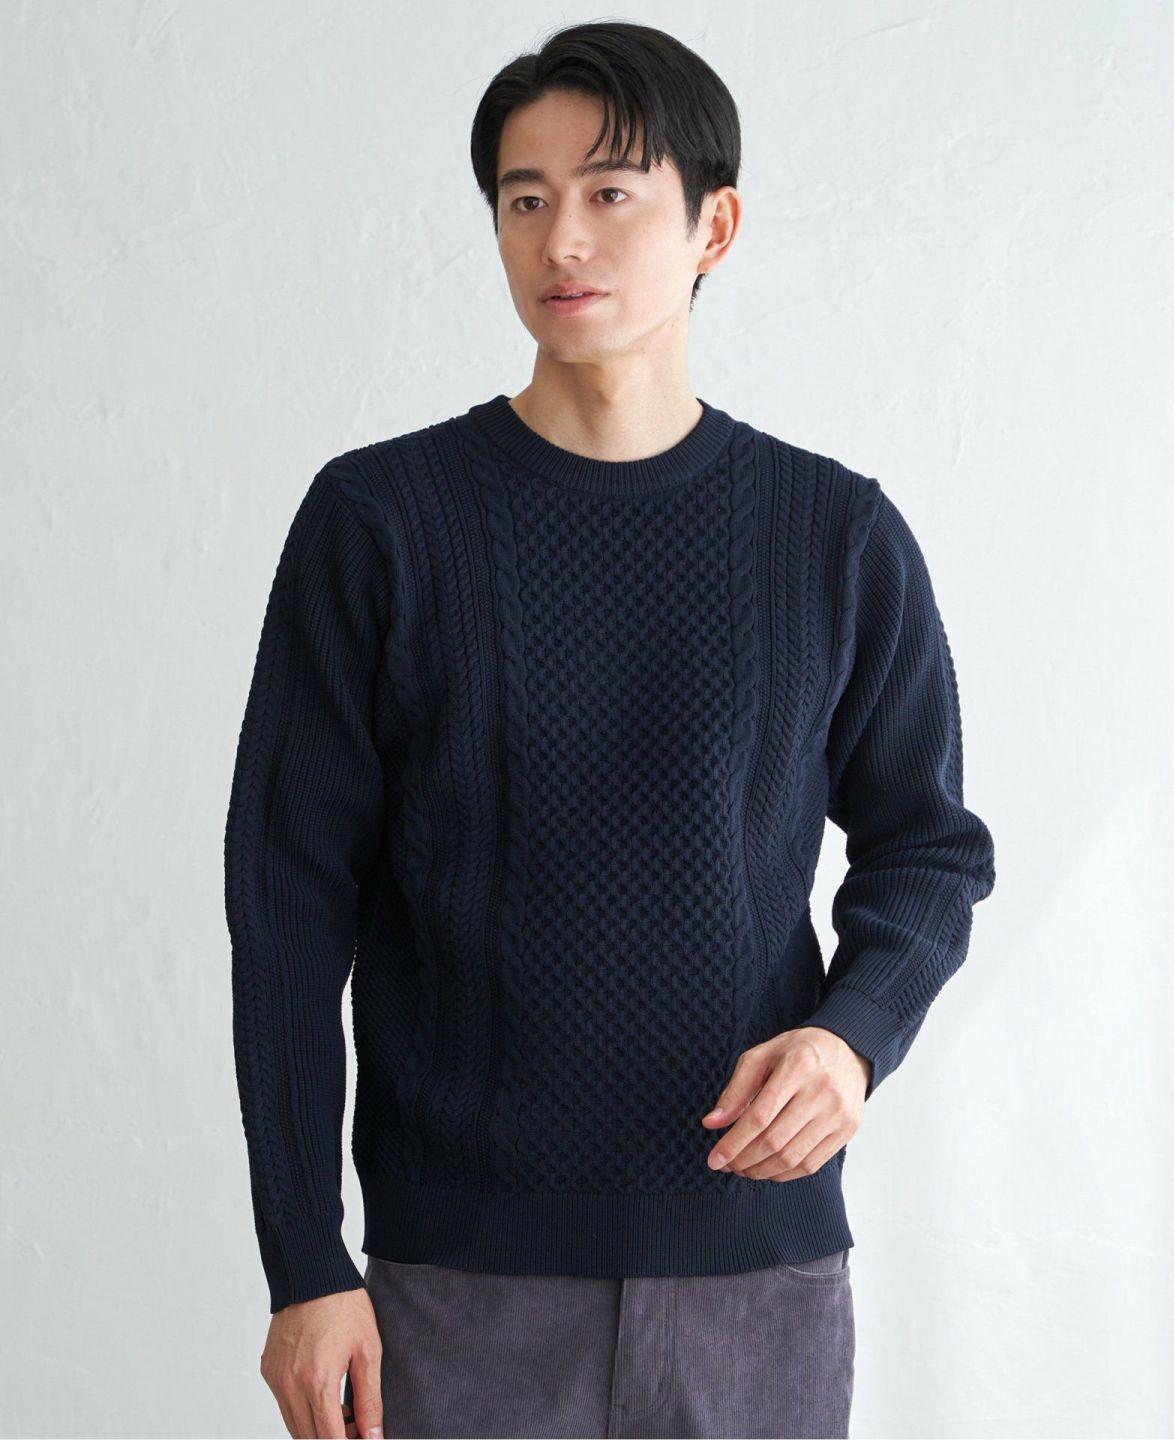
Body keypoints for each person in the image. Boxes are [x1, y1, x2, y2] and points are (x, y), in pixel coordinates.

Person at [223, 20, 997, 1440]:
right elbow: (286, 907)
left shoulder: (832, 535)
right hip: (456, 1288)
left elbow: (929, 848)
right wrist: (303, 1261)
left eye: (611, 192)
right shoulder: (382, 524)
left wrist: (851, 1040)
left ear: (715, 225)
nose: (561, 238)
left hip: (756, 1273)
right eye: (524, 198)